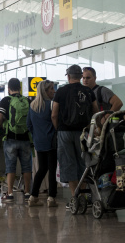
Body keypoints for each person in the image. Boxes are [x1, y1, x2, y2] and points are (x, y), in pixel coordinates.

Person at [51, 64, 99, 206]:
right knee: (83, 163)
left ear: (69, 76)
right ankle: (83, 196)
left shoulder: (61, 91)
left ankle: (74, 196)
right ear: (80, 76)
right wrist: (92, 128)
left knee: (68, 163)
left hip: (64, 132)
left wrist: (58, 128)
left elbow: (54, 114)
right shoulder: (88, 91)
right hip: (83, 132)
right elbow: (95, 111)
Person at [0, 78, 32, 202]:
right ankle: (27, 192)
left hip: (10, 138)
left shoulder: (6, 100)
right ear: (20, 88)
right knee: (27, 167)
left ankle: (10, 193)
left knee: (10, 167)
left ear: (8, 89)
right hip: (26, 138)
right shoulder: (26, 100)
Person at [27, 80, 57, 207]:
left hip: (38, 141)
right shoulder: (51, 105)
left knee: (42, 168)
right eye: (51, 89)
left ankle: (33, 196)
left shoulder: (33, 106)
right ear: (45, 91)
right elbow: (55, 119)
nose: (53, 91)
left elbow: (29, 125)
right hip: (50, 140)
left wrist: (36, 135)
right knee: (52, 169)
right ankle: (51, 198)